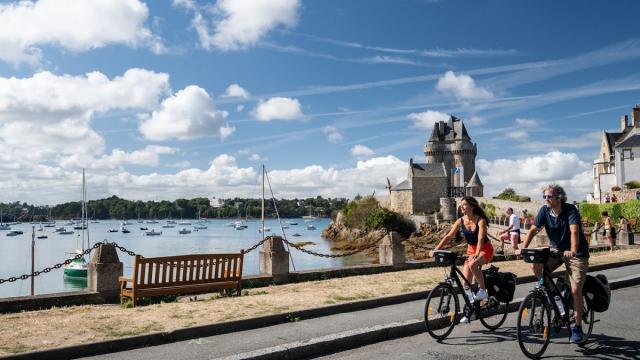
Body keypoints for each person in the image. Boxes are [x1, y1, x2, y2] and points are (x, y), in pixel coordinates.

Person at [515, 184, 589, 344]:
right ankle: (553, 296)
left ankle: (577, 328)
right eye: (545, 197)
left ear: (559, 197)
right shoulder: (544, 211)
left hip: (576, 254)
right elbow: (534, 229)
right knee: (537, 265)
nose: (546, 199)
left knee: (576, 289)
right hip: (556, 251)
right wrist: (524, 248)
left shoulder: (570, 210)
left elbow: (574, 230)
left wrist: (573, 250)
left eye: (549, 197)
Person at [429, 196, 494, 323]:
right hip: (471, 250)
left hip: (485, 250)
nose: (461, 206)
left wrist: (476, 253)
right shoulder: (460, 221)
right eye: (461, 204)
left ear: (472, 206)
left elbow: (481, 238)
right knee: (466, 285)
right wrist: (436, 249)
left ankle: (483, 290)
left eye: (464, 204)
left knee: (473, 264)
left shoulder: (481, 221)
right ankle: (472, 310)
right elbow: (448, 236)